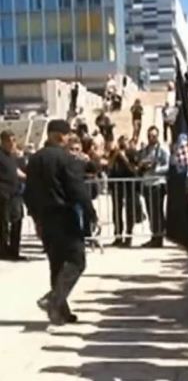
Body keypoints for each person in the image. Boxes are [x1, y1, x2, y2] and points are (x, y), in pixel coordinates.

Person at [24, 120, 97, 325]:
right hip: (65, 216)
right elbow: (77, 190)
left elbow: (29, 193)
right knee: (76, 261)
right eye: (66, 136)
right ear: (59, 136)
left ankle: (60, 312)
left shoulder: (35, 159)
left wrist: (36, 218)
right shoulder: (65, 158)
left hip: (45, 218)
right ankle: (53, 299)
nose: (68, 139)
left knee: (56, 265)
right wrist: (91, 213)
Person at [138, 126, 170, 248]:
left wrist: (156, 169)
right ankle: (154, 236)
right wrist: (143, 165)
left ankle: (159, 237)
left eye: (154, 136)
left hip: (157, 183)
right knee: (150, 211)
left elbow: (168, 165)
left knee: (157, 211)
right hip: (147, 183)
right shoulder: (145, 150)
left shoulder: (162, 149)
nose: (151, 138)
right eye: (149, 136)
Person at [108, 135, 141, 247]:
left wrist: (123, 157)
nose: (123, 144)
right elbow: (109, 166)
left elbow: (133, 169)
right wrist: (116, 155)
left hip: (129, 185)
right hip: (116, 185)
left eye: (125, 141)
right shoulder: (114, 153)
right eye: (121, 142)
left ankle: (128, 236)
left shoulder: (132, 153)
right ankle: (118, 235)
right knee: (116, 211)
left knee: (129, 212)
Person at [0, 130, 26, 261]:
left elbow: (17, 172)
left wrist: (30, 178)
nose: (12, 143)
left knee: (17, 221)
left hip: (15, 194)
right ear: (3, 141)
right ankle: (3, 250)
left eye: (14, 140)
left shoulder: (12, 157)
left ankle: (14, 251)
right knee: (3, 225)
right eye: (9, 141)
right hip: (3, 194)